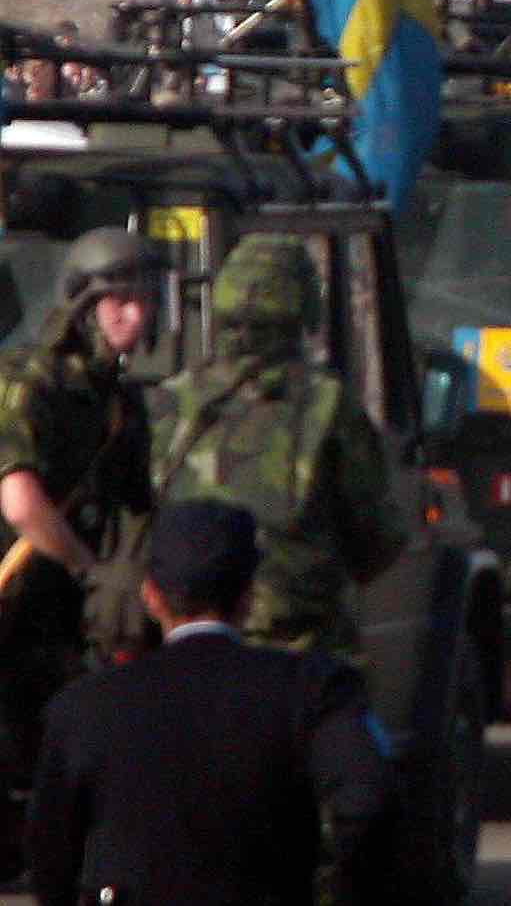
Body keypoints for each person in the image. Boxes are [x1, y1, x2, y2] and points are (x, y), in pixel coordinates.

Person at [28, 499, 393, 906]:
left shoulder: (83, 708)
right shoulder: (315, 689)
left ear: (151, 596)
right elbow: (367, 803)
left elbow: (49, 850)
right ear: (249, 597)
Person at [146, 235, 409, 656]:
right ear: (302, 308)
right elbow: (377, 540)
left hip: (186, 644)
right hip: (301, 651)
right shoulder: (326, 402)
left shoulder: (171, 400)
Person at [0, 231, 158, 868]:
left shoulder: (120, 402)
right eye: (117, 300)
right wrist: (89, 569)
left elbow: (139, 507)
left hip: (61, 615)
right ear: (83, 305)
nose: (136, 314)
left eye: (144, 299)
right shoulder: (26, 382)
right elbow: (20, 503)